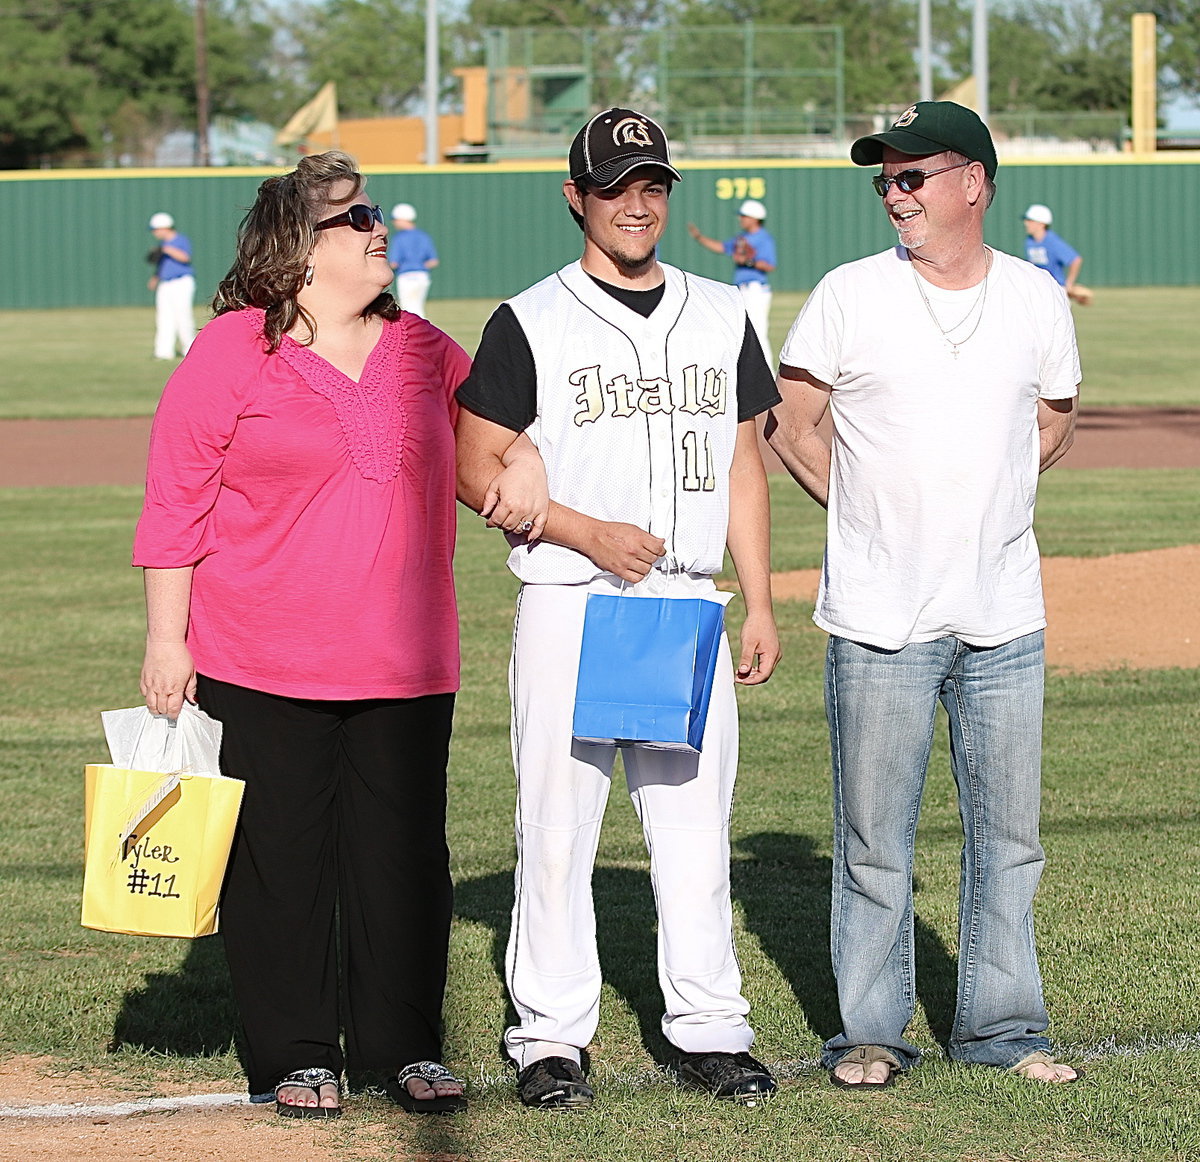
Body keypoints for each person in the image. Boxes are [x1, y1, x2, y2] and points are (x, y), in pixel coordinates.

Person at [133, 151, 542, 1119]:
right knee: (280, 863)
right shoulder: (232, 349)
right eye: (352, 218)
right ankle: (297, 1051)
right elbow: (175, 503)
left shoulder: (424, 347)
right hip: (258, 658)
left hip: (405, 661)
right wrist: (165, 639)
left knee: (402, 861)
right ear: (299, 248)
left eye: (371, 215)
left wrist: (521, 455)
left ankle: (404, 1045)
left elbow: (493, 429)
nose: (374, 229)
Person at [455, 107, 783, 1111]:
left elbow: (742, 462)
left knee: (691, 824)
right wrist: (582, 529)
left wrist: (760, 599)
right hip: (574, 599)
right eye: (614, 187)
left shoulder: (722, 309)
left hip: (685, 600)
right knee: (559, 826)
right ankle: (550, 1036)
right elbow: (474, 467)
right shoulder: (529, 319)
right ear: (575, 199)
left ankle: (711, 1026)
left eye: (652, 186)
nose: (636, 204)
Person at [765, 101, 1084, 1090]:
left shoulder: (1035, 298)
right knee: (871, 839)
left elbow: (1057, 415)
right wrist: (859, 506)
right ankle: (870, 1030)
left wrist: (997, 497)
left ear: (973, 183)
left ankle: (1000, 1027)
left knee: (1009, 841)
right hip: (877, 618)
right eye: (884, 181)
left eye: (912, 176)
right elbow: (791, 422)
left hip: (1004, 615)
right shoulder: (851, 294)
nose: (894, 196)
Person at [687, 200, 776, 365]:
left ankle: (768, 374)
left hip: (756, 289)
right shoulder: (742, 238)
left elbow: (769, 265)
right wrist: (700, 238)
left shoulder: (763, 238)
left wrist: (748, 261)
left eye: (744, 216)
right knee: (741, 332)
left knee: (757, 332)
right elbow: (722, 247)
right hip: (741, 290)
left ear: (755, 218)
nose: (740, 219)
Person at [146, 212, 196, 359]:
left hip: (181, 282)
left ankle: (189, 349)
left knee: (183, 315)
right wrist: (155, 277)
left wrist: (167, 250)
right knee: (164, 317)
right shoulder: (162, 245)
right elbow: (162, 265)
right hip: (165, 283)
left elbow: (185, 257)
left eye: (155, 229)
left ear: (165, 228)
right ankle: (163, 351)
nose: (154, 233)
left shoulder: (180, 240)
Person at [1023, 203, 1092, 305]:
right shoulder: (1029, 241)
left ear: (1042, 223)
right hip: (1038, 290)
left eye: (1030, 220)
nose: (1026, 223)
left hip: (1056, 291)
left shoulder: (1052, 241)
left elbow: (1075, 260)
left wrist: (1069, 284)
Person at [387, 202, 439, 318]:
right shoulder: (424, 236)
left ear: (402, 219)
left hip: (406, 277)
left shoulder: (399, 238)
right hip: (422, 276)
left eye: (395, 219)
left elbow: (394, 263)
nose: (394, 222)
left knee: (409, 309)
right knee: (418, 307)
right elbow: (433, 261)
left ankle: (418, 334)